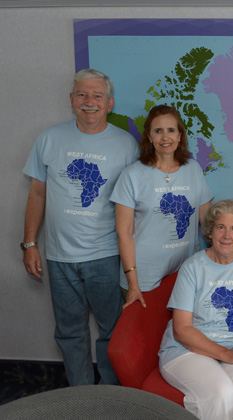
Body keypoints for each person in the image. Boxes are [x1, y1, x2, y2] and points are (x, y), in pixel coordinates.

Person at [21, 69, 139, 386]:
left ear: (110, 103)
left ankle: (112, 395)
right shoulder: (49, 139)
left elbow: (134, 205)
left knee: (112, 330)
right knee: (70, 333)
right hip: (58, 257)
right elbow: (37, 193)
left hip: (106, 255)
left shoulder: (127, 145)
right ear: (71, 100)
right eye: (82, 95)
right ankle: (82, 396)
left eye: (97, 96)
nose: (90, 102)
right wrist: (30, 244)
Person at [158, 199, 233, 420]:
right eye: (220, 227)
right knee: (221, 393)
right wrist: (226, 355)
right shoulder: (192, 268)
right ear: (210, 231)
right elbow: (182, 330)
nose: (227, 235)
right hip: (187, 351)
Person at [111, 104, 213, 308]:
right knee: (145, 338)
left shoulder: (193, 169)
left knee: (179, 335)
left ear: (179, 135)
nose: (165, 137)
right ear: (149, 137)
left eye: (171, 130)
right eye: (158, 131)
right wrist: (133, 284)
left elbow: (207, 219)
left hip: (185, 274)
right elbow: (124, 233)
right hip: (144, 279)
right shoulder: (132, 175)